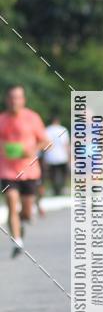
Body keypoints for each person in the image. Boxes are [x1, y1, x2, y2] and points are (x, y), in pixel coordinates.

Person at [0, 85, 47, 258]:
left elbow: (46, 142)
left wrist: (33, 149)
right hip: (7, 171)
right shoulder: (2, 120)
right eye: (11, 98)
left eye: (18, 98)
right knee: (12, 201)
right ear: (7, 100)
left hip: (29, 171)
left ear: (23, 100)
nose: (14, 101)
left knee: (26, 212)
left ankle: (20, 223)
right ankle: (17, 241)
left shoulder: (32, 118)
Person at [44, 114, 70, 196]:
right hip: (62, 155)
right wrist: (69, 155)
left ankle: (55, 189)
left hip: (51, 155)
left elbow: (45, 144)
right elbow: (65, 144)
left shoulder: (47, 130)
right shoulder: (63, 129)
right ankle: (62, 187)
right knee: (63, 173)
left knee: (52, 174)